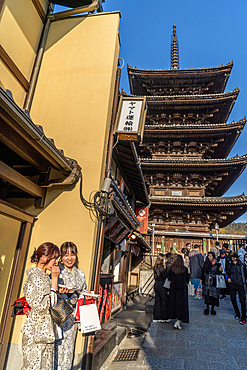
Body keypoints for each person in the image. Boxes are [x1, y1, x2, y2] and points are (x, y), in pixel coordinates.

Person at [21, 242, 60, 370]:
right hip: (36, 333)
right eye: (54, 259)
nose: (56, 263)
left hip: (45, 331)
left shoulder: (44, 277)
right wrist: (54, 280)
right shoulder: (35, 277)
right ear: (44, 257)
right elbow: (44, 306)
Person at [55, 242, 87, 370]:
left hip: (74, 316)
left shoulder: (80, 273)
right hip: (59, 315)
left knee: (69, 349)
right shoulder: (57, 271)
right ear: (61, 257)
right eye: (66, 254)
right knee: (57, 348)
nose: (69, 258)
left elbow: (82, 291)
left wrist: (87, 296)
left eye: (72, 254)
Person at [167, 255, 190, 329]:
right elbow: (187, 280)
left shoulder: (172, 269)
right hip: (182, 290)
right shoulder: (185, 269)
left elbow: (169, 278)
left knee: (174, 304)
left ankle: (175, 319)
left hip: (173, 289)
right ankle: (178, 320)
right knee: (181, 305)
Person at [227, 252, 247, 324]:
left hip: (240, 284)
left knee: (242, 301)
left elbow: (245, 274)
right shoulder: (230, 265)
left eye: (232, 257)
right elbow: (228, 272)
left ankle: (243, 316)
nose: (231, 258)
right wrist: (228, 278)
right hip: (232, 284)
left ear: (235, 258)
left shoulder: (242, 265)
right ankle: (237, 313)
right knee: (233, 299)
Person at [201, 251, 221, 316]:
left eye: (210, 256)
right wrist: (202, 279)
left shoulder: (217, 264)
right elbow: (203, 271)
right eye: (208, 256)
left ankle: (212, 308)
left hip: (214, 281)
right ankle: (207, 308)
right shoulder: (206, 263)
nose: (209, 257)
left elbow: (218, 273)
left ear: (213, 257)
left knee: (214, 295)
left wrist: (220, 270)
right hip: (207, 280)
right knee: (207, 295)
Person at [153, 254, 170, 322]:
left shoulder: (155, 266)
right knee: (164, 300)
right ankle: (164, 317)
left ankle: (156, 317)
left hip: (156, 283)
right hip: (161, 284)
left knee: (157, 301)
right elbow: (165, 275)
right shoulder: (161, 266)